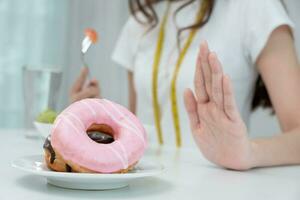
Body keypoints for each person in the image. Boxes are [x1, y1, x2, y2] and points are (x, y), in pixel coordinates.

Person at [70, 0, 300, 170]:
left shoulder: (255, 8)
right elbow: (134, 131)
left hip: (221, 188)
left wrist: (249, 153)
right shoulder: (141, 21)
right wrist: (93, 123)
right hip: (141, 188)